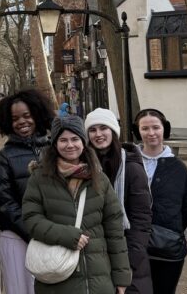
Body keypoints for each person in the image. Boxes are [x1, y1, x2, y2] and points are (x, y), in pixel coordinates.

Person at [22, 115, 132, 294]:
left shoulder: (99, 178)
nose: (70, 145)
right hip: (57, 277)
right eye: (63, 140)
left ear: (83, 142)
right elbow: (31, 219)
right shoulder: (39, 178)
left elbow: (114, 231)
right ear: (55, 144)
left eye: (75, 139)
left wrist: (121, 277)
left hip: (98, 278)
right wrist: (67, 235)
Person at [0, 89, 55, 294]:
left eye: (27, 116)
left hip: (55, 234)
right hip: (18, 238)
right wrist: (34, 232)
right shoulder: (4, 158)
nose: (22, 122)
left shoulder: (55, 150)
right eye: (15, 118)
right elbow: (5, 203)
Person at [85, 108, 153, 294]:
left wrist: (129, 261)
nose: (98, 134)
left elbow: (141, 218)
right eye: (92, 130)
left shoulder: (131, 167)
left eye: (103, 128)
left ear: (113, 131)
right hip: (93, 254)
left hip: (128, 253)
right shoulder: (83, 166)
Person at [134, 108, 187, 294]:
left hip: (167, 248)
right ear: (138, 131)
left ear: (164, 129)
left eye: (155, 127)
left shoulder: (179, 168)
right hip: (134, 244)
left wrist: (169, 229)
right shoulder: (129, 162)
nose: (151, 133)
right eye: (145, 128)